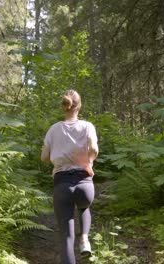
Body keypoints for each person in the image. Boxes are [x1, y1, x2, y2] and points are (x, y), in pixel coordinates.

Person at [41, 90, 99, 264]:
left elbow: (44, 158)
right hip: (85, 184)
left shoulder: (53, 129)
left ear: (63, 106)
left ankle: (78, 242)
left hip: (62, 185)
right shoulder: (88, 126)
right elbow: (94, 150)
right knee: (84, 206)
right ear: (79, 106)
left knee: (66, 237)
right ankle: (84, 240)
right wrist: (89, 161)